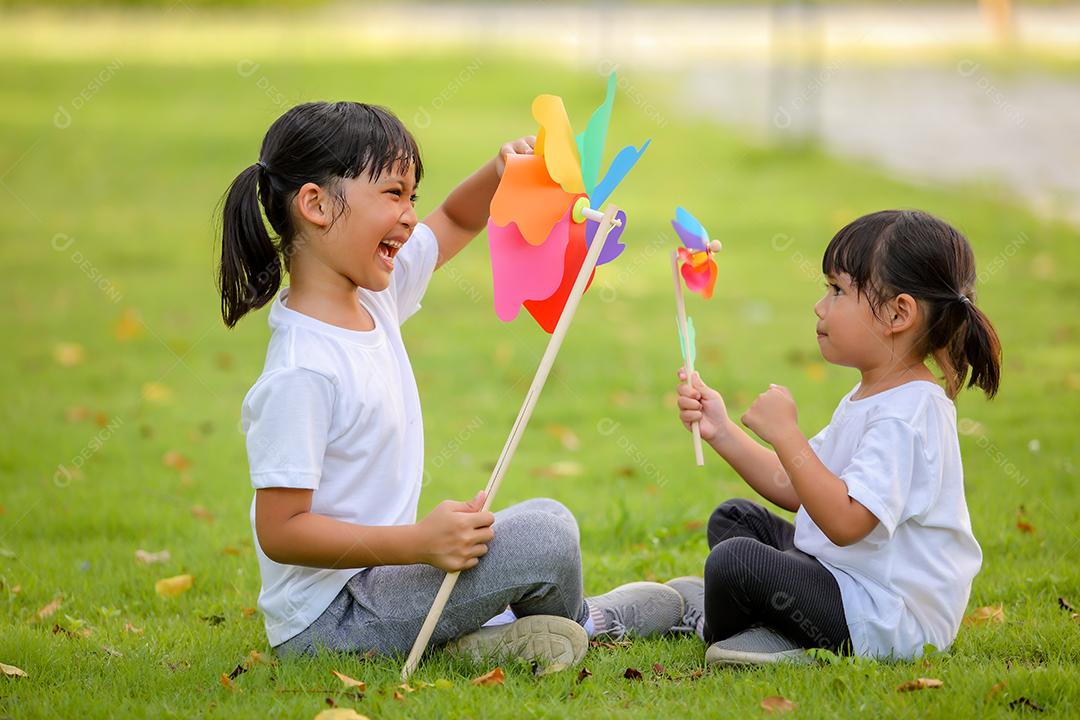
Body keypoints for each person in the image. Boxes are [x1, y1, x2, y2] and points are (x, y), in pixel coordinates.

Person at [218, 101, 682, 664]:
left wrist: (499, 173)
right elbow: (282, 531)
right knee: (545, 540)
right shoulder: (303, 369)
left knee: (551, 516)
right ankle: (589, 621)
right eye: (393, 194)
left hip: (380, 586)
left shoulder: (373, 296)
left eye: (411, 197)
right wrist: (418, 543)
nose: (410, 215)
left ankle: (484, 641)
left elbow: (458, 220)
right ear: (315, 204)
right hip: (329, 624)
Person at [667, 210, 1000, 664]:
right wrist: (720, 431)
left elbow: (845, 524)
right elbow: (797, 487)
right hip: (843, 580)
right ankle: (768, 629)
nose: (820, 306)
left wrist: (787, 434)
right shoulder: (873, 393)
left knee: (735, 562)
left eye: (837, 290)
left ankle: (717, 624)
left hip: (883, 616)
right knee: (735, 520)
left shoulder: (908, 415)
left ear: (898, 313)